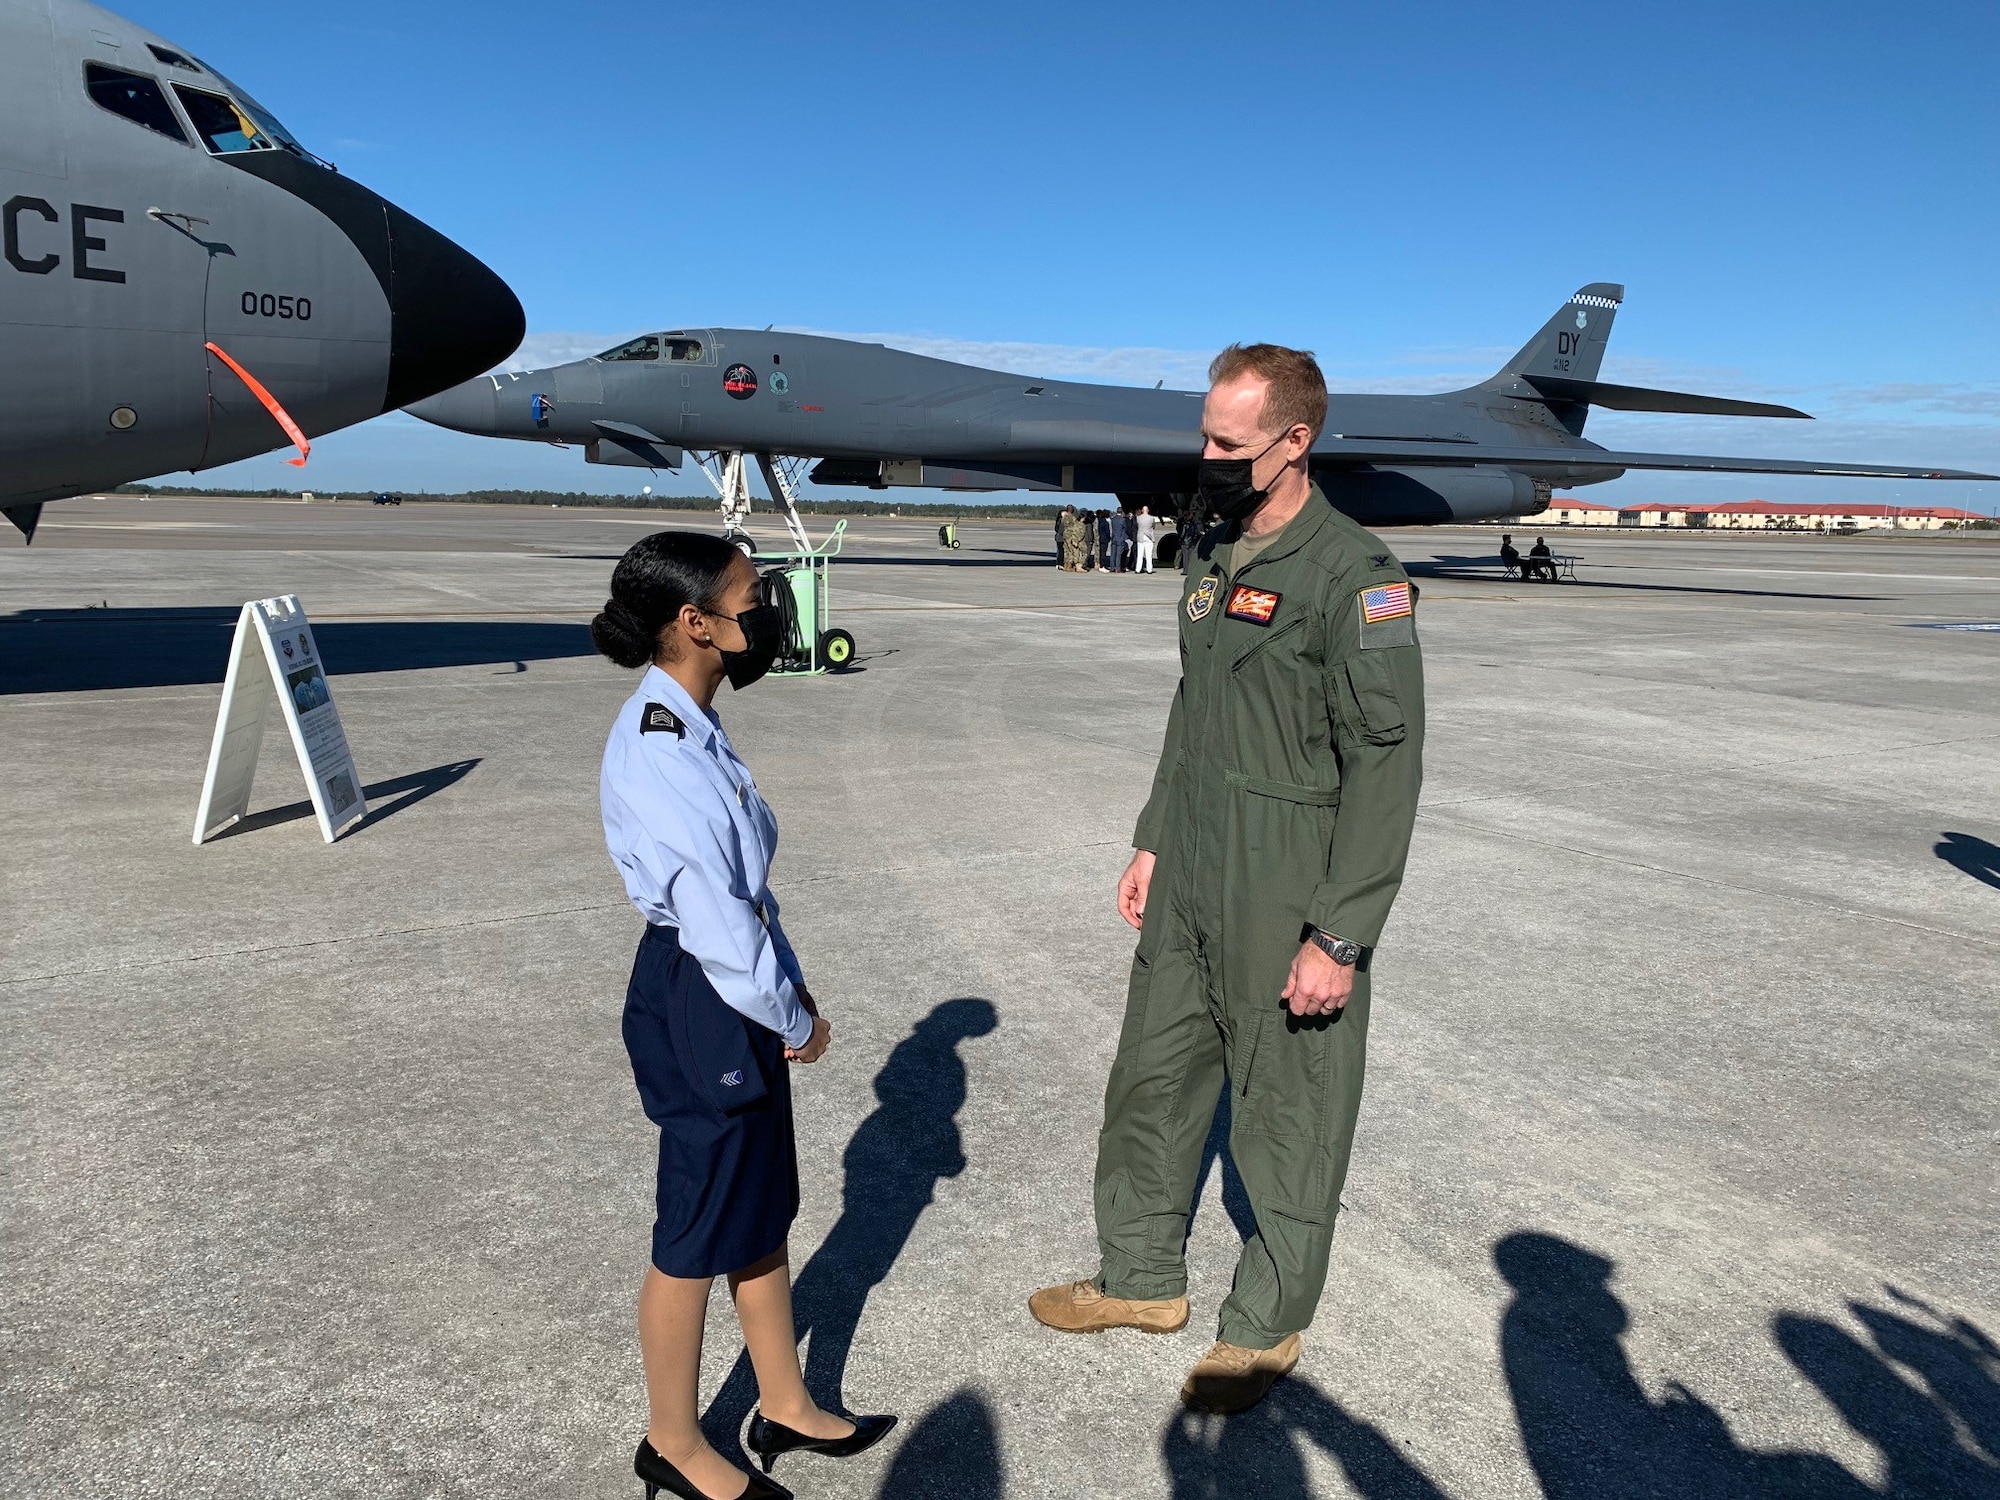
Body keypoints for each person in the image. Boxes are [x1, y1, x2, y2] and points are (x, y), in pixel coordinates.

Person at [1029, 344, 1426, 1418]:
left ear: (1294, 443)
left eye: (1225, 443)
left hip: (1287, 873)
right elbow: (1191, 710)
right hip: (1191, 857)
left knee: (1287, 1107)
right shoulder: (1210, 555)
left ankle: (1264, 1324)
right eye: (1201, 435)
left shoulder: (1355, 577)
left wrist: (1337, 936)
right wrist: (1153, 838)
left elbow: (1385, 768)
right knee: (1151, 1077)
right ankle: (1139, 1281)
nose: (1202, 457)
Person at [594, 532, 895, 1500]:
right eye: (747, 597)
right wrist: (788, 1015)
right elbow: (717, 922)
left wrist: (788, 984)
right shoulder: (659, 750)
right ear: (694, 624)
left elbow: (745, 892)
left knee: (757, 1207)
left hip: (732, 980)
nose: (765, 611)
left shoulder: (689, 718)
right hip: (704, 993)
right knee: (694, 1225)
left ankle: (784, 1403)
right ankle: (671, 1441)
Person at [1060, 505, 1086, 571]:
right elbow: (1076, 524)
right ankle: (1069, 566)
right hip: (1070, 534)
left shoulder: (1064, 517)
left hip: (1065, 534)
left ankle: (1066, 565)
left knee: (1066, 551)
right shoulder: (1071, 517)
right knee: (1071, 551)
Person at [1133, 505, 1159, 573]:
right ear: (1148, 510)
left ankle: (1137, 569)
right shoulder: (1151, 518)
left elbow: (1138, 526)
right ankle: (1149, 569)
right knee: (1148, 555)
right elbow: (1153, 526)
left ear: (1142, 510)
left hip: (1141, 536)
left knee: (1140, 555)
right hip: (1149, 537)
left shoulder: (1138, 518)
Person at [1107, 507, 1130, 573]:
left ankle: (1112, 567)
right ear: (1122, 512)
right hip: (1120, 539)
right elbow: (1126, 528)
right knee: (1118, 555)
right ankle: (1117, 568)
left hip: (1114, 538)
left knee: (1112, 554)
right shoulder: (1122, 520)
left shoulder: (1113, 519)